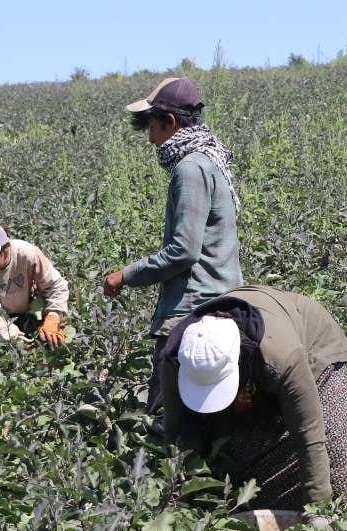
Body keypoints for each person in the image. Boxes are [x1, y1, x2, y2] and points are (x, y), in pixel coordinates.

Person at [157, 285, 347, 512]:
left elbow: (310, 436)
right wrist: (179, 495)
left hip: (312, 345)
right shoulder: (177, 357)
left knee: (336, 460)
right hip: (259, 355)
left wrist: (318, 512)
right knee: (244, 462)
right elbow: (176, 430)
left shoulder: (282, 357)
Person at [102, 77, 243, 412]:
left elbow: (184, 251)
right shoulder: (211, 161)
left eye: (152, 127)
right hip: (224, 300)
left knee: (164, 414)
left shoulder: (190, 169)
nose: (150, 139)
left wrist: (126, 275)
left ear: (171, 123)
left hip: (193, 310)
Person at [0, 220, 70, 345]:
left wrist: (53, 316)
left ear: (4, 248)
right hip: (2, 317)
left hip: (30, 307)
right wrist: (20, 342)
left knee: (55, 337)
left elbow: (56, 286)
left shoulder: (27, 254)